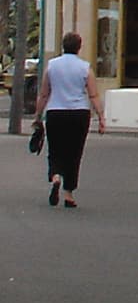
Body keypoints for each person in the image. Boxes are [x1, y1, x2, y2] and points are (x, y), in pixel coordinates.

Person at [34, 33, 106, 210]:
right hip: (79, 114)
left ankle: (55, 175)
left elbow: (44, 93)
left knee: (55, 148)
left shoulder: (51, 66)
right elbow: (93, 94)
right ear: (79, 47)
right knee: (74, 153)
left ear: (63, 45)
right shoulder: (85, 68)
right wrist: (101, 117)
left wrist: (37, 116)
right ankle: (68, 194)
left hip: (56, 112)